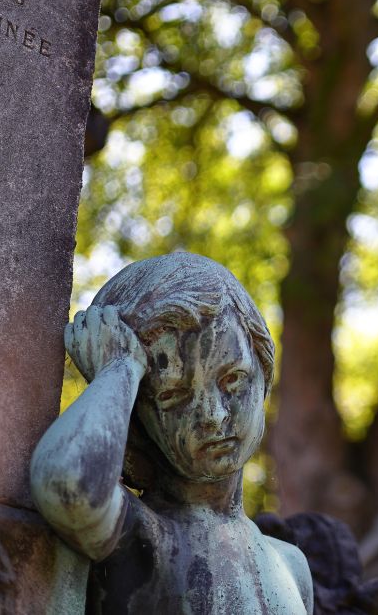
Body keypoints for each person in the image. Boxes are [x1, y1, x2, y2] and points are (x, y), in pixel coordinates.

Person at [30, 253, 313, 615]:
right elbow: (66, 483)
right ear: (136, 420)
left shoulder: (291, 565)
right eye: (174, 396)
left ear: (263, 372)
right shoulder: (142, 538)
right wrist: (120, 367)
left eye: (232, 380)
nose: (212, 416)